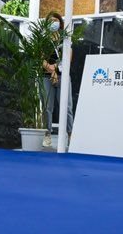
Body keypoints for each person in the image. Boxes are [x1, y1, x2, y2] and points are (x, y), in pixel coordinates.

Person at [41, 11, 73, 147]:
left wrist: (55, 68)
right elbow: (39, 57)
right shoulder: (42, 39)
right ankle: (47, 134)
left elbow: (68, 57)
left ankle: (70, 135)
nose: (53, 23)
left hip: (63, 76)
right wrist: (50, 69)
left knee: (67, 107)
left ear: (60, 23)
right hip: (45, 76)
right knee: (47, 107)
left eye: (56, 20)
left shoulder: (65, 38)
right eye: (51, 20)